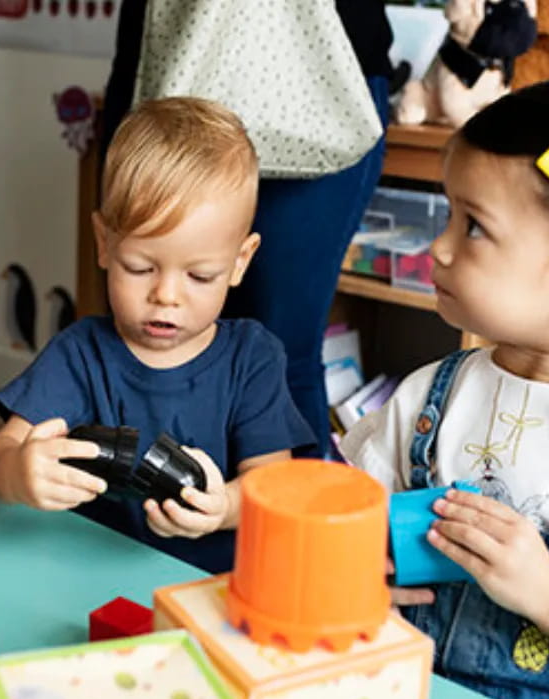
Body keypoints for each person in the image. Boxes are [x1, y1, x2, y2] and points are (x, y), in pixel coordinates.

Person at [341, 72, 549, 699]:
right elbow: (353, 521)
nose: (437, 247)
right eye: (448, 214)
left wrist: (547, 592)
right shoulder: (431, 395)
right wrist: (359, 574)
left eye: (473, 228)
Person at [0, 97, 315, 573]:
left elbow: (274, 483)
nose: (166, 295)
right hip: (88, 577)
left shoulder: (253, 358)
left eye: (200, 276)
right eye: (139, 268)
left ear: (240, 261)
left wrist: (225, 507)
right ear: (104, 244)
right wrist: (17, 474)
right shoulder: (81, 353)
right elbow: (1, 450)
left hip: (208, 588)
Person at [102, 0, 393, 458]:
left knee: (282, 349)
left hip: (319, 79)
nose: (168, 291)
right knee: (145, 340)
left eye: (201, 275)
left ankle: (284, 526)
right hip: (168, 57)